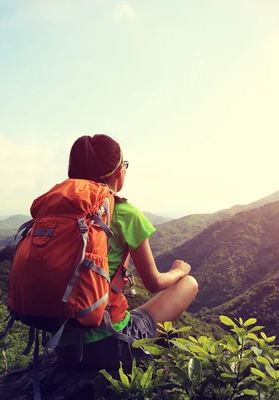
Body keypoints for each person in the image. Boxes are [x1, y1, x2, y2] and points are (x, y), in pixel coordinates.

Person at [55, 134, 199, 367]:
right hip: (110, 345)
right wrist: (178, 271)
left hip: (62, 346)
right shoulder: (125, 214)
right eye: (125, 165)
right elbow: (154, 284)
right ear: (117, 172)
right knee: (189, 284)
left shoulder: (59, 213)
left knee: (136, 311)